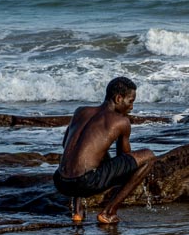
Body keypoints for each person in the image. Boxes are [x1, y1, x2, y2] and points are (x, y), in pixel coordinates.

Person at [53, 77, 156, 224]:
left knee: (85, 156)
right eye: (131, 101)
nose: (132, 107)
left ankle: (77, 212)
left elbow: (67, 145)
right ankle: (109, 212)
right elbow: (125, 158)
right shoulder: (121, 121)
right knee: (149, 156)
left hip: (60, 181)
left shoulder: (80, 111)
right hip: (85, 182)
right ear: (118, 98)